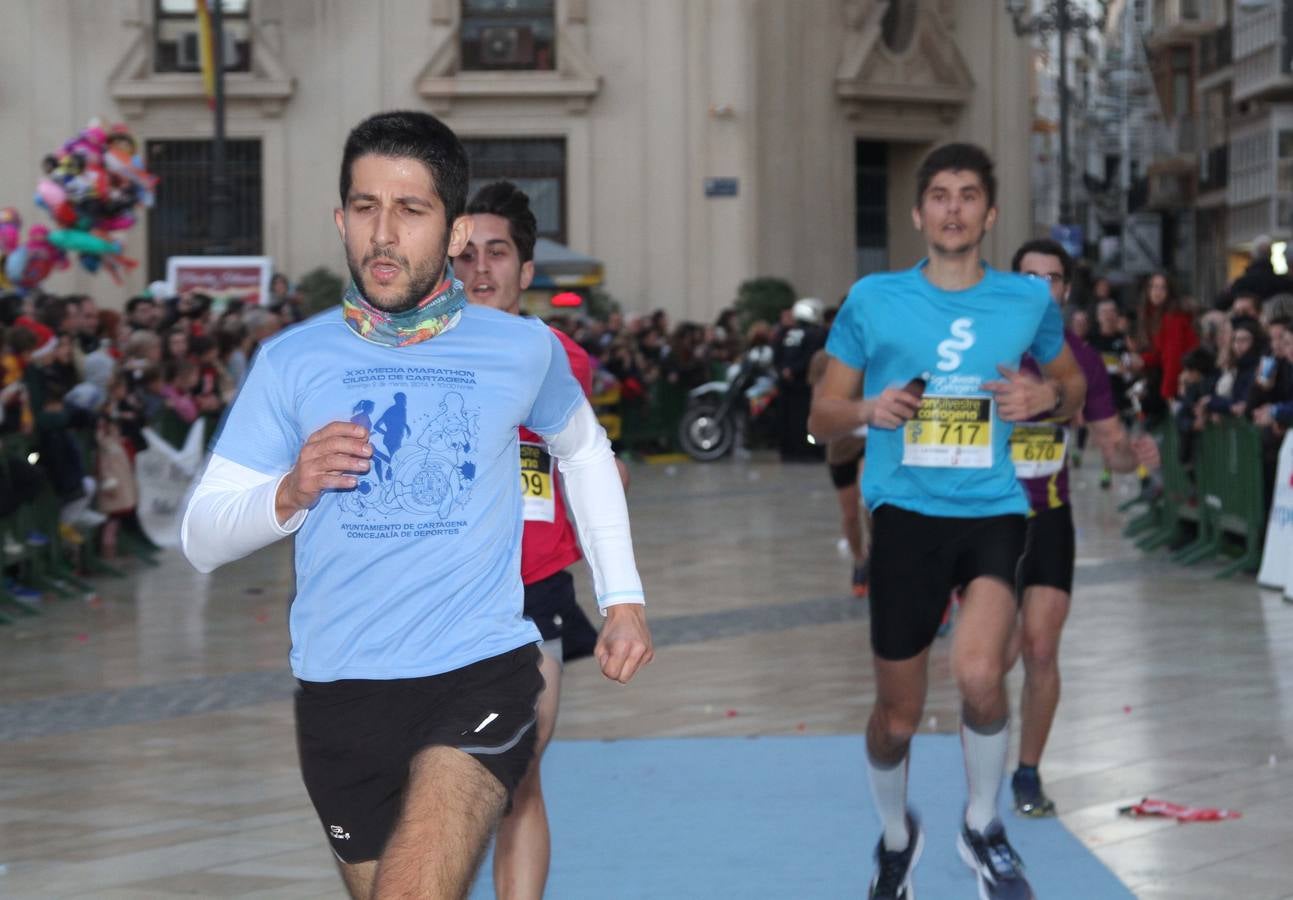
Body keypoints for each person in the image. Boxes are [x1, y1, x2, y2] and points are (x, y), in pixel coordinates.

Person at [181, 111, 653, 900]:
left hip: (479, 669)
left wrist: (624, 598)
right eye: (365, 208)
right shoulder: (292, 360)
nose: (383, 234)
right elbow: (200, 537)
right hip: (340, 690)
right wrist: (289, 491)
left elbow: (583, 451)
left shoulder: (520, 348)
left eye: (410, 210)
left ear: (455, 228)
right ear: (340, 218)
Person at [810, 142, 1086, 900]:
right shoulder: (874, 298)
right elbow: (818, 415)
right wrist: (867, 409)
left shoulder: (1027, 301)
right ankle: (897, 838)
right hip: (902, 514)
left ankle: (981, 824)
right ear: (918, 211)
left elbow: (1070, 386)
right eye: (939, 194)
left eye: (968, 195)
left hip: (993, 510)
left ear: (988, 213)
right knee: (896, 719)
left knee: (977, 676)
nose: (954, 207)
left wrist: (1044, 400)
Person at [454, 179, 628, 900]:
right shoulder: (408, 358)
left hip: (532, 592)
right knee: (442, 788)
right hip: (436, 599)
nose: (479, 270)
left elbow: (582, 463)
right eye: (463, 255)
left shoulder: (559, 358)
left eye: (497, 254)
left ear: (525, 272)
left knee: (516, 774)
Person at [1006, 240, 1160, 819]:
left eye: (1052, 279)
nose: (1041, 288)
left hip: (1048, 518)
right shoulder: (985, 346)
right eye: (1029, 277)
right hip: (987, 522)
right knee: (993, 662)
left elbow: (1112, 449)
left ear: (1065, 291)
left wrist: (1136, 456)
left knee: (1041, 650)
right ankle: (978, 773)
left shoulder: (1082, 360)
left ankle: (1026, 774)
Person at [808, 308, 870, 598]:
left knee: (868, 499)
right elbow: (817, 404)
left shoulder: (878, 351)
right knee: (849, 514)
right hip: (841, 442)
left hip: (874, 437)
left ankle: (880, 559)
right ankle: (860, 558)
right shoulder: (824, 359)